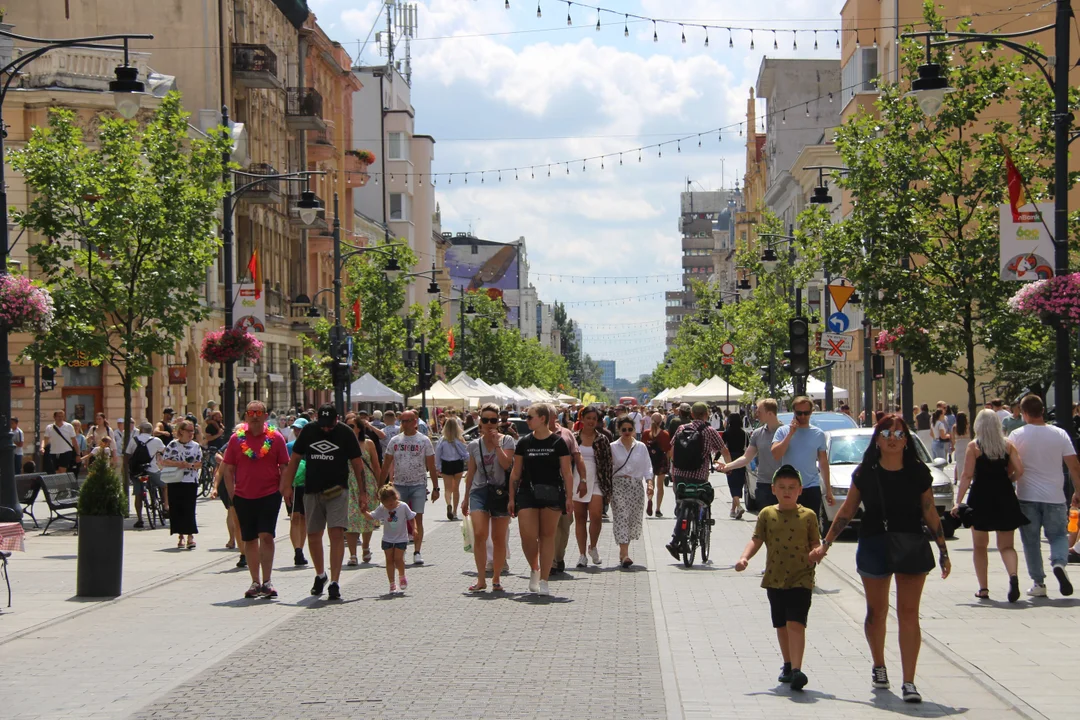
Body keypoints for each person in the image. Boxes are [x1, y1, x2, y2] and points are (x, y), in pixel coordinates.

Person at [811, 414, 951, 704]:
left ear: (906, 440)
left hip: (911, 543)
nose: (892, 438)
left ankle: (909, 681)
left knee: (909, 613)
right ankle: (879, 665)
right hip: (874, 543)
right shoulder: (866, 472)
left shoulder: (918, 472)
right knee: (876, 612)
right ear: (877, 438)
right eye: (886, 432)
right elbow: (847, 510)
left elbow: (929, 511)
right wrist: (826, 544)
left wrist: (943, 549)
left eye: (899, 434)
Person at [736, 464, 821, 691]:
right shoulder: (767, 514)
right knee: (781, 624)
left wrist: (816, 552)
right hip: (775, 578)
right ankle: (787, 664)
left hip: (801, 577)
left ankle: (797, 670)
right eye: (782, 487)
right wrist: (745, 558)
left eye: (792, 487)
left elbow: (815, 543)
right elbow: (756, 539)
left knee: (796, 623)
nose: (787, 491)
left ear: (800, 490)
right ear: (773, 489)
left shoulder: (809, 516)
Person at [283, 404, 367, 601]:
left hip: (338, 490)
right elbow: (294, 459)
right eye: (323, 425)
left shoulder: (345, 433)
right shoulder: (309, 431)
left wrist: (363, 493)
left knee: (336, 533)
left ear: (336, 420)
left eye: (329, 425)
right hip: (312, 490)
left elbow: (357, 463)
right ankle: (320, 575)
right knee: (313, 535)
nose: (326, 429)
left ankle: (335, 582)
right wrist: (287, 485)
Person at [1009, 394, 1080, 598]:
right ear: (1042, 411)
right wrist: (1078, 491)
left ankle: (1038, 582)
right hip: (1055, 496)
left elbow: (1011, 466)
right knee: (1058, 535)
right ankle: (1058, 562)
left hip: (1026, 495)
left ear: (1023, 413)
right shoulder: (1060, 434)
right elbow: (1074, 466)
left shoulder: (1016, 435)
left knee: (1031, 541)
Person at [952, 409, 1027, 602]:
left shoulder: (974, 447)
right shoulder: (1007, 445)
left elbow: (966, 475)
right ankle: (1013, 576)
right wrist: (1009, 479)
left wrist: (958, 501)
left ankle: (983, 588)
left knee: (979, 545)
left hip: (981, 497)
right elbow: (1019, 470)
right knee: (1007, 545)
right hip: (1004, 496)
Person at [222, 402, 290, 599]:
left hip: (269, 495)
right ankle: (255, 582)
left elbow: (284, 466)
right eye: (251, 412)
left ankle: (267, 581)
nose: (254, 416)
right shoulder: (236, 440)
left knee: (266, 536)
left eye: (258, 413)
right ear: (246, 416)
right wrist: (232, 493)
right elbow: (228, 469)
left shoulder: (275, 438)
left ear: (265, 416)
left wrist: (281, 489)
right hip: (243, 496)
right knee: (249, 538)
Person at [509, 403, 574, 595]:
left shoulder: (558, 442)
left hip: (551, 492)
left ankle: (544, 579)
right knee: (527, 535)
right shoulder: (524, 442)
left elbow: (567, 472)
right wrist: (511, 498)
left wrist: (569, 497)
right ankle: (534, 568)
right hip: (527, 492)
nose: (526, 420)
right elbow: (515, 473)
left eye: (530, 417)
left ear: (543, 419)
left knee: (547, 537)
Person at [462, 403, 517, 591]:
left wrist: (496, 445)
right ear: (480, 421)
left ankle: (496, 578)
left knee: (499, 538)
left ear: (498, 422)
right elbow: (471, 472)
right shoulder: (474, 445)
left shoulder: (507, 441)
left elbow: (506, 465)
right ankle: (480, 579)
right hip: (479, 492)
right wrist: (464, 497)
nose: (489, 424)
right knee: (479, 534)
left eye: (493, 420)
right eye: (485, 420)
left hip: (501, 492)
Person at [665, 402, 729, 558]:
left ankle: (678, 539)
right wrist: (729, 467)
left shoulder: (681, 429)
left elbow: (671, 451)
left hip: (679, 475)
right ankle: (699, 524)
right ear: (706, 414)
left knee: (682, 503)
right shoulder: (710, 431)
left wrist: (673, 469)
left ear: (692, 415)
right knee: (701, 499)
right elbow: (724, 450)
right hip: (699, 476)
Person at [380, 410, 439, 565]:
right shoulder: (395, 441)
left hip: (418, 484)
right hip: (399, 485)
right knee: (397, 520)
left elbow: (432, 466)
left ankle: (417, 551)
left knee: (417, 518)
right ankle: (401, 550)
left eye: (408, 421)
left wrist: (436, 488)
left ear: (415, 421)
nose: (404, 424)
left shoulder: (424, 441)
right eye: (402, 421)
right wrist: (380, 486)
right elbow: (386, 464)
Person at [770, 396, 834, 514]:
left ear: (811, 412)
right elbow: (776, 454)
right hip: (789, 488)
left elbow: (823, 463)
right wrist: (790, 434)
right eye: (799, 413)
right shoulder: (783, 431)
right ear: (794, 412)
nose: (803, 416)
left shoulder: (818, 433)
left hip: (811, 486)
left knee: (810, 525)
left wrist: (828, 490)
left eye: (806, 413)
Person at [721, 398, 782, 510]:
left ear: (769, 413)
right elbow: (746, 457)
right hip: (764, 484)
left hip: (784, 484)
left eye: (759, 412)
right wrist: (727, 466)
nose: (756, 415)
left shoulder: (786, 432)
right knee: (766, 523)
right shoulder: (757, 434)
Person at [572, 406, 613, 568]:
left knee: (596, 515)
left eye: (594, 419)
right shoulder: (574, 438)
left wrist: (608, 489)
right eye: (588, 418)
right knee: (580, 518)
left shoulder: (602, 439)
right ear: (582, 419)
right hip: (578, 480)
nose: (591, 421)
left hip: (597, 480)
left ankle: (593, 546)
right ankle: (582, 554)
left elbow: (608, 464)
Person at [610, 416, 652, 568]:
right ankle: (625, 553)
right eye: (623, 430)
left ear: (634, 430)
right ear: (618, 431)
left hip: (635, 486)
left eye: (630, 429)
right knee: (622, 516)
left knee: (632, 519)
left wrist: (649, 483)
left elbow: (648, 466)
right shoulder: (613, 447)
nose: (627, 432)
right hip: (618, 485)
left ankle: (623, 552)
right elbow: (608, 468)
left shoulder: (641, 446)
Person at [550, 411, 587, 575]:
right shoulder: (534, 435)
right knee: (546, 527)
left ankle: (558, 557)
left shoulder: (566, 434)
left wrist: (583, 480)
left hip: (564, 486)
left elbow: (578, 457)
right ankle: (549, 561)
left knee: (564, 525)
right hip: (541, 487)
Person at [363, 484, 416, 594]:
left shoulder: (403, 506)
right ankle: (392, 584)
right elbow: (372, 516)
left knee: (398, 559)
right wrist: (364, 512)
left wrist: (414, 529)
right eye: (387, 505)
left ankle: (402, 576)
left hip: (401, 538)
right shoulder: (382, 508)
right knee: (389, 560)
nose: (390, 507)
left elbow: (411, 517)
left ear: (396, 497)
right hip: (387, 538)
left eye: (391, 504)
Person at [159, 420, 203, 550]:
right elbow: (164, 461)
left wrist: (189, 465)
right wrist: (179, 464)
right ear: (181, 431)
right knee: (177, 508)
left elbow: (200, 463)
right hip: (175, 480)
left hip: (190, 481)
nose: (191, 433)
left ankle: (190, 536)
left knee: (189, 508)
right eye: (188, 430)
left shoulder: (196, 446)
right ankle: (180, 536)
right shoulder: (172, 445)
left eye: (192, 431)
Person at [345, 415, 381, 566]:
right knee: (350, 519)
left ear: (359, 428)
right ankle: (353, 554)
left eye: (351, 426)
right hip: (348, 484)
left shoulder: (368, 443)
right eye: (346, 426)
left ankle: (365, 546)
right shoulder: (342, 444)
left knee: (367, 517)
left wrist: (380, 487)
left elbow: (376, 466)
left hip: (368, 484)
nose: (349, 429)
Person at [126, 421, 167, 527]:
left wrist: (130, 468)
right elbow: (166, 452)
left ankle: (140, 519)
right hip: (152, 470)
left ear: (140, 430)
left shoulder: (134, 440)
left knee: (138, 494)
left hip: (137, 471)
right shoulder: (157, 440)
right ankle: (166, 506)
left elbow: (128, 455)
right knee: (164, 486)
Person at [284, 418, 310, 567]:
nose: (297, 431)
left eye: (300, 429)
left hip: (307, 486)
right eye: (295, 429)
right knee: (294, 517)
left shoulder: (312, 447)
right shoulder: (289, 446)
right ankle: (297, 551)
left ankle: (301, 549)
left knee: (304, 518)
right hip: (293, 485)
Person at [435, 418, 469, 521]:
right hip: (457, 464)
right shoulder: (460, 439)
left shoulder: (442, 440)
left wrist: (438, 467)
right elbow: (465, 453)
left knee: (447, 488)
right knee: (456, 488)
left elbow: (437, 454)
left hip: (446, 464)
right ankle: (454, 512)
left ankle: (448, 504)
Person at [722, 413, 750, 520]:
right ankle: (733, 510)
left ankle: (738, 506)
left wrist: (716, 458)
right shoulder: (744, 433)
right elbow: (748, 447)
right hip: (742, 459)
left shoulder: (726, 433)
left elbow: (722, 448)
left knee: (732, 483)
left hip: (730, 458)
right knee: (739, 483)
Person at [642, 412, 670, 517]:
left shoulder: (646, 433)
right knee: (660, 486)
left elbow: (643, 449)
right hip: (661, 461)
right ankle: (658, 509)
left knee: (650, 484)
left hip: (650, 460)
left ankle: (650, 500)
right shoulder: (665, 434)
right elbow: (668, 451)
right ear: (661, 421)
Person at [951, 412, 971, 485]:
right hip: (967, 443)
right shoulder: (968, 426)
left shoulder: (955, 427)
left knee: (959, 463)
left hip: (958, 444)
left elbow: (952, 438)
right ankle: (967, 477)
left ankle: (957, 478)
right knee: (968, 462)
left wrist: (953, 446)